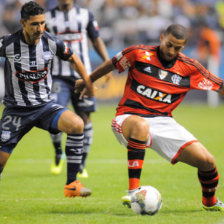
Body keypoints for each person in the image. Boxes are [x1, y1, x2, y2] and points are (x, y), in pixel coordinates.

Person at [75, 24, 224, 211]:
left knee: (207, 162)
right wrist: (87, 81)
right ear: (162, 37)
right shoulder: (138, 54)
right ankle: (133, 192)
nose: (171, 51)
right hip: (128, 117)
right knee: (141, 126)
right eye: (169, 44)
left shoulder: (189, 68)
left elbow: (220, 86)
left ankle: (209, 203)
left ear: (183, 47)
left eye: (177, 48)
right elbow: (111, 64)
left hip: (163, 121)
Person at [0, 1, 94, 198]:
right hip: (16, 110)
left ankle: (71, 185)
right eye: (34, 24)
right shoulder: (8, 44)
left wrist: (87, 81)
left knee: (77, 125)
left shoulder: (51, 42)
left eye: (42, 23)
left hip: (44, 107)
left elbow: (73, 57)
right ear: (23, 23)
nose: (40, 28)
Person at [45, 0, 111, 177]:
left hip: (84, 76)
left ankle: (81, 162)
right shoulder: (48, 17)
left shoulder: (86, 15)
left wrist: (107, 63)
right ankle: (59, 152)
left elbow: (96, 39)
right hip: (59, 75)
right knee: (55, 116)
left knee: (85, 118)